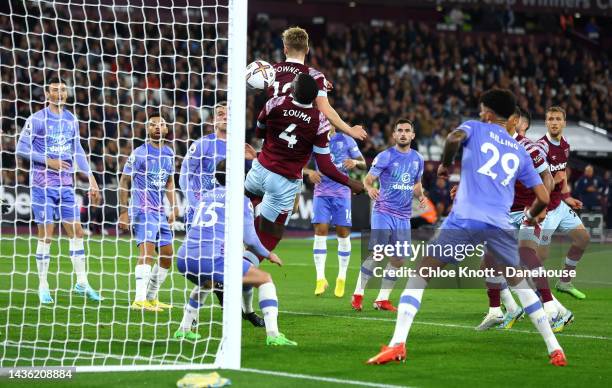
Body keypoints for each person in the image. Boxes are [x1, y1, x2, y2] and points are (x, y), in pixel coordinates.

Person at [366, 89, 567, 367]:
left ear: (487, 113)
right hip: (499, 225)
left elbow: (452, 138)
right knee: (521, 284)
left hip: (464, 219)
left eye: (482, 109)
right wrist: (531, 217)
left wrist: (445, 166)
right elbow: (544, 196)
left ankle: (397, 344)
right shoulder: (519, 150)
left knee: (421, 272)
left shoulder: (474, 127)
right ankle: (555, 349)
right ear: (510, 117)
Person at [175, 160, 297, 346]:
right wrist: (269, 254)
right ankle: (273, 334)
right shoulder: (240, 200)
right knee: (265, 279)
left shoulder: (206, 196)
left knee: (207, 282)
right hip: (211, 258)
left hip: (184, 257)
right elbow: (250, 239)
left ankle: (183, 329)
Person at [245, 73, 364, 261]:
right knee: (270, 231)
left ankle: (229, 243)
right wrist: (350, 182)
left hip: (259, 170)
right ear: (316, 97)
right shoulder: (320, 121)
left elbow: (260, 129)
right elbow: (325, 166)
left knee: (246, 205)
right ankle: (244, 269)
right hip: (283, 182)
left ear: (292, 89)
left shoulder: (275, 103)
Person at [476, 106, 572, 333]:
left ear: (514, 121)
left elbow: (547, 178)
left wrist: (542, 205)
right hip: (505, 213)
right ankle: (498, 310)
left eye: (501, 121)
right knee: (489, 261)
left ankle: (550, 307)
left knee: (527, 257)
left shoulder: (529, 147)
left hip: (528, 210)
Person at [16, 76, 102, 304]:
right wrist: (48, 161)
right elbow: (21, 149)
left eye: (63, 90)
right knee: (47, 235)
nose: (60, 93)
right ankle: (43, 285)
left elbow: (78, 151)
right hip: (42, 186)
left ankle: (82, 282)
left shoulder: (71, 119)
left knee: (77, 232)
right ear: (47, 94)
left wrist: (91, 179)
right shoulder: (37, 119)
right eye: (55, 90)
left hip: (66, 185)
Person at [179, 102, 263, 327]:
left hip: (231, 216)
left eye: (228, 113)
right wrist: (196, 204)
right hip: (205, 216)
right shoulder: (202, 145)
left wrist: (254, 161)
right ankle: (195, 317)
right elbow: (185, 175)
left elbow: (254, 181)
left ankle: (246, 310)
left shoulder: (240, 147)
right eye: (220, 114)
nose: (224, 117)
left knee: (237, 263)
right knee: (210, 271)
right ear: (213, 120)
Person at [351, 119, 426, 312]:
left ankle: (382, 299)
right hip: (383, 211)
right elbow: (368, 180)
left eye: (407, 130)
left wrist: (421, 195)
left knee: (399, 260)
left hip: (403, 216)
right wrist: (369, 189)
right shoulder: (385, 156)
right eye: (399, 130)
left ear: (412, 135)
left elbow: (416, 184)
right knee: (378, 254)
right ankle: (358, 294)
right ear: (394, 135)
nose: (403, 133)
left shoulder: (418, 159)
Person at [118, 116, 178, 312]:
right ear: (147, 129)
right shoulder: (139, 154)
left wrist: (174, 206)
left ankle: (151, 297)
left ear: (167, 129)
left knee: (168, 254)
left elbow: (169, 182)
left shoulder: (169, 153)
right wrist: (124, 212)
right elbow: (124, 181)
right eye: (153, 124)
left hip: (160, 212)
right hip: (143, 210)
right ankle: (139, 299)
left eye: (161, 124)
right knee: (147, 253)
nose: (157, 127)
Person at [268, 26, 367, 141]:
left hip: (270, 139)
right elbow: (324, 108)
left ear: (285, 49)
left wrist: (317, 87)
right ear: (307, 50)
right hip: (296, 142)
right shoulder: (315, 76)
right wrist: (350, 130)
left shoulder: (271, 71)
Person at [303, 126, 366, 297]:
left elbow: (363, 163)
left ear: (333, 123)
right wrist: (309, 172)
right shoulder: (313, 140)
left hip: (342, 193)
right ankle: (320, 279)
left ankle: (341, 277)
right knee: (320, 230)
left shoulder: (346, 140)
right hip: (321, 193)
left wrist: (355, 163)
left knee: (342, 233)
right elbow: (300, 166)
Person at [537, 106, 590, 300]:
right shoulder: (540, 148)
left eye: (558, 119)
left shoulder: (565, 145)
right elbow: (535, 185)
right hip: (543, 209)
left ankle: (565, 282)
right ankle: (530, 295)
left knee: (583, 238)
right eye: (550, 119)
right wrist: (556, 181)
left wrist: (567, 196)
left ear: (564, 123)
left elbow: (562, 173)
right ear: (546, 122)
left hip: (559, 205)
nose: (554, 122)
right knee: (538, 258)